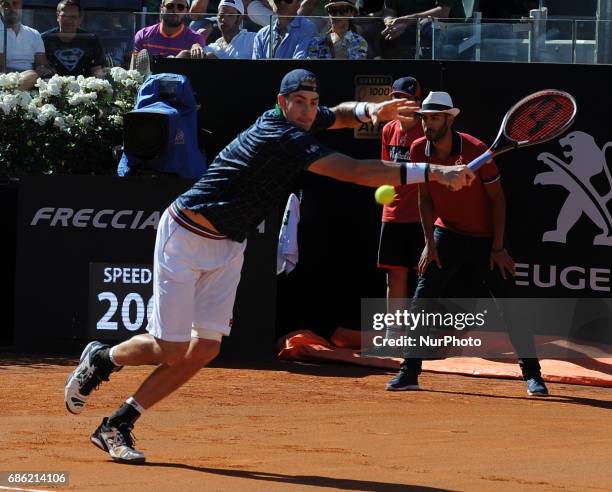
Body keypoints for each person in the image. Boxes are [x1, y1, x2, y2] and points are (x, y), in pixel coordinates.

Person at [63, 69, 475, 464]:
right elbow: (355, 171)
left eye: (313, 102)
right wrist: (436, 172)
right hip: (186, 235)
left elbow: (341, 114)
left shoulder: (300, 120)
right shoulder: (280, 136)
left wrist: (372, 112)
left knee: (205, 347)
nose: (309, 110)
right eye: (299, 102)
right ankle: (103, 358)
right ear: (281, 103)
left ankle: (118, 424)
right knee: (170, 349)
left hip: (229, 244)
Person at [385, 91, 548, 397]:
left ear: (449, 119)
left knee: (511, 308)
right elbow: (425, 197)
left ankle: (533, 376)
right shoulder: (419, 149)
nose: (427, 124)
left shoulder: (476, 150)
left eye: (434, 118)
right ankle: (409, 372)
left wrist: (498, 248)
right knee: (422, 299)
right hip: (446, 234)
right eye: (424, 118)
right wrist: (428, 244)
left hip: (487, 240)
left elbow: (498, 200)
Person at [377, 76, 424, 318]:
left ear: (417, 102)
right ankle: (392, 336)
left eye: (406, 99)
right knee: (394, 277)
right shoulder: (388, 130)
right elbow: (386, 169)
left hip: (421, 216)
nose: (400, 103)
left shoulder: (427, 131)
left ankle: (419, 336)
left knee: (424, 279)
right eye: (396, 98)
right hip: (392, 215)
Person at [130, 0, 205, 72]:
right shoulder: (143, 35)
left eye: (180, 7)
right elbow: (133, 72)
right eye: (170, 6)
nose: (174, 10)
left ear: (186, 11)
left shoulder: (196, 39)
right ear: (161, 8)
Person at [381, 0, 465, 59]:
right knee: (373, 31)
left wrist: (408, 21)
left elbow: (443, 13)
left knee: (429, 30)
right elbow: (389, 10)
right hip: (405, 29)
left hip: (448, 29)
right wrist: (390, 23)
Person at [42, 0, 106, 77]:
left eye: (73, 17)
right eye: (64, 16)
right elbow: (42, 69)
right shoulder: (44, 39)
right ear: (57, 17)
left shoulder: (91, 40)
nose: (68, 21)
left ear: (80, 19)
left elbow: (97, 70)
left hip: (84, 87)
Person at [0, 0, 55, 90]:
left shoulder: (34, 34)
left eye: (15, 3)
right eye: (6, 5)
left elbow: (42, 64)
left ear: (21, 5)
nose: (11, 8)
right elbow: (2, 68)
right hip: (5, 82)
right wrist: (30, 74)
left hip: (31, 82)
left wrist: (46, 69)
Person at [252, 0, 319, 59]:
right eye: (277, 0)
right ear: (272, 4)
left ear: (299, 3)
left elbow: (300, 64)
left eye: (288, 0)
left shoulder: (308, 29)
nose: (282, 3)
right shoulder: (261, 35)